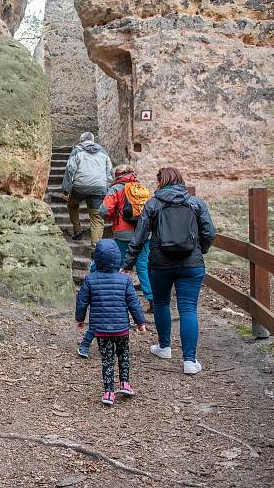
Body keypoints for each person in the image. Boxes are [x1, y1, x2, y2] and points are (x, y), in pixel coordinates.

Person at [121, 167, 215, 375]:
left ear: (160, 182)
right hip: (192, 264)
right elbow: (209, 232)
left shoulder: (153, 204)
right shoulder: (195, 203)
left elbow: (139, 237)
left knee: (162, 303)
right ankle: (189, 361)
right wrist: (200, 250)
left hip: (160, 264)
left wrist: (127, 264)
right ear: (180, 181)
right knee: (188, 308)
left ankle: (164, 347)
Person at [75, 239, 146, 405]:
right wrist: (140, 322)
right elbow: (134, 303)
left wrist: (80, 319)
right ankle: (125, 383)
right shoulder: (125, 280)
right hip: (121, 328)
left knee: (107, 359)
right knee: (123, 355)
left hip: (101, 330)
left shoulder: (90, 279)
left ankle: (108, 392)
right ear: (117, 259)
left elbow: (82, 302)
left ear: (96, 259)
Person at [98, 165, 153, 311]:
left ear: (117, 175)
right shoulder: (141, 188)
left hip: (123, 233)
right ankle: (152, 299)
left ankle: (116, 297)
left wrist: (111, 217)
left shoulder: (116, 189)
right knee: (143, 266)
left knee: (121, 264)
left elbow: (104, 210)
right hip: (144, 233)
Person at [62, 132, 113, 246]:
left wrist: (66, 189)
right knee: (96, 216)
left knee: (72, 205)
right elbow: (110, 173)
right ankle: (96, 246)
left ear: (81, 140)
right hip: (99, 187)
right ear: (93, 140)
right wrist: (106, 188)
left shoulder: (77, 151)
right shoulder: (103, 152)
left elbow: (70, 170)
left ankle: (77, 230)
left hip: (80, 187)